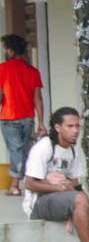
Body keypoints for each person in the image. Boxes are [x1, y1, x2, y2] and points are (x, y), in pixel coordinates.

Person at [23, 106, 89, 242]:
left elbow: (75, 184)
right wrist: (62, 188)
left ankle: (71, 218)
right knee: (80, 199)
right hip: (38, 203)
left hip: (60, 198)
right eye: (70, 126)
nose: (75, 130)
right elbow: (30, 183)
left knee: (84, 198)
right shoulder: (44, 147)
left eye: (77, 126)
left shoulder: (74, 150)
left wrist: (71, 189)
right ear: (57, 127)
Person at [0, 33, 47, 196]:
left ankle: (15, 185)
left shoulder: (2, 69)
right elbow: (38, 98)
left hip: (8, 117)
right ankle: (28, 182)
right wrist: (41, 123)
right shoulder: (33, 71)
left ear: (11, 51)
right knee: (23, 151)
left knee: (16, 150)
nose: (5, 52)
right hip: (28, 118)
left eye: (6, 49)